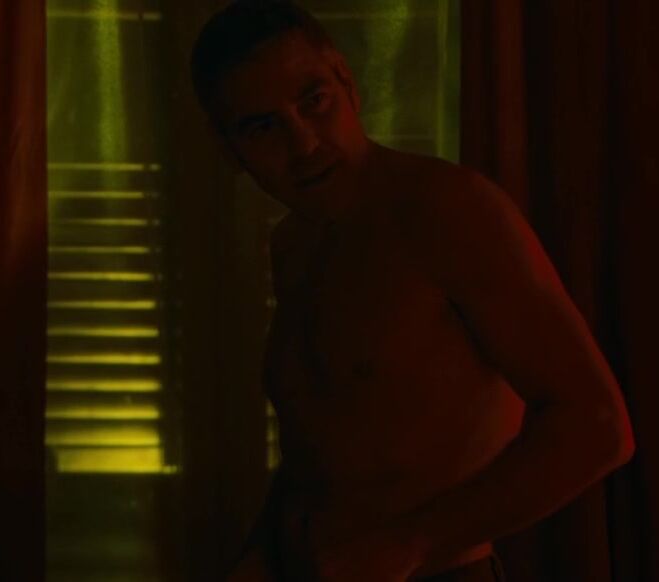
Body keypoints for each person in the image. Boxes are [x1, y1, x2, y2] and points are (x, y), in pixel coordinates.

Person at [189, 2, 636, 580]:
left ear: (347, 83)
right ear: (229, 148)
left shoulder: (445, 210)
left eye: (314, 101)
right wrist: (260, 554)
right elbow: (324, 447)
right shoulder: (294, 244)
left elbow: (598, 426)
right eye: (263, 127)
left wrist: (411, 544)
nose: (304, 144)